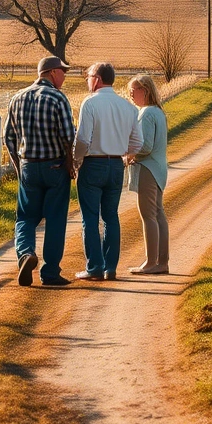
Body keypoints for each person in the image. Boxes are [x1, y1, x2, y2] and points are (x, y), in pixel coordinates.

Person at [3, 56, 77, 287]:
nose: (64, 76)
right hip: (54, 165)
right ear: (52, 72)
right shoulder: (57, 98)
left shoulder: (17, 98)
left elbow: (8, 139)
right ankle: (50, 273)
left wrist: (19, 168)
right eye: (63, 72)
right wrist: (70, 162)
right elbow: (68, 136)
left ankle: (25, 254)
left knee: (25, 217)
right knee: (55, 219)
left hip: (28, 165)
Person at [71, 62, 142, 281]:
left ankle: (94, 267)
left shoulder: (90, 103)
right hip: (116, 165)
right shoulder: (128, 107)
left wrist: (76, 159)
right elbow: (138, 142)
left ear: (98, 79)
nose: (87, 80)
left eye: (89, 76)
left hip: (93, 163)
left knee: (90, 218)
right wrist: (122, 150)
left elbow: (83, 138)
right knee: (111, 216)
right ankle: (110, 267)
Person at [123, 74, 170, 274]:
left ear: (146, 91)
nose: (131, 95)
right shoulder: (158, 112)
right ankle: (162, 262)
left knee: (148, 215)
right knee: (158, 213)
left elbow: (146, 146)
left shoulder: (146, 114)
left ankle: (151, 263)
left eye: (135, 90)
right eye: (130, 91)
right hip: (158, 168)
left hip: (148, 169)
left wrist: (129, 154)